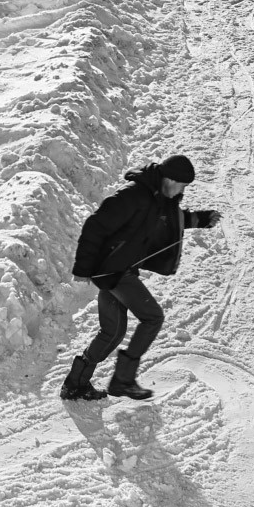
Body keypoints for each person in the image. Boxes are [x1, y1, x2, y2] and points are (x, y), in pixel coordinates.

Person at [62, 154, 219, 402]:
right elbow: (95, 225)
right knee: (152, 317)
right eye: (181, 184)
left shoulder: (160, 199)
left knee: (112, 332)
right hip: (113, 271)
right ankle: (123, 380)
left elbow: (171, 220)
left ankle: (75, 383)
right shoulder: (133, 196)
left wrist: (201, 219)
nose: (182, 190)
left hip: (118, 270)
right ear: (169, 179)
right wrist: (82, 268)